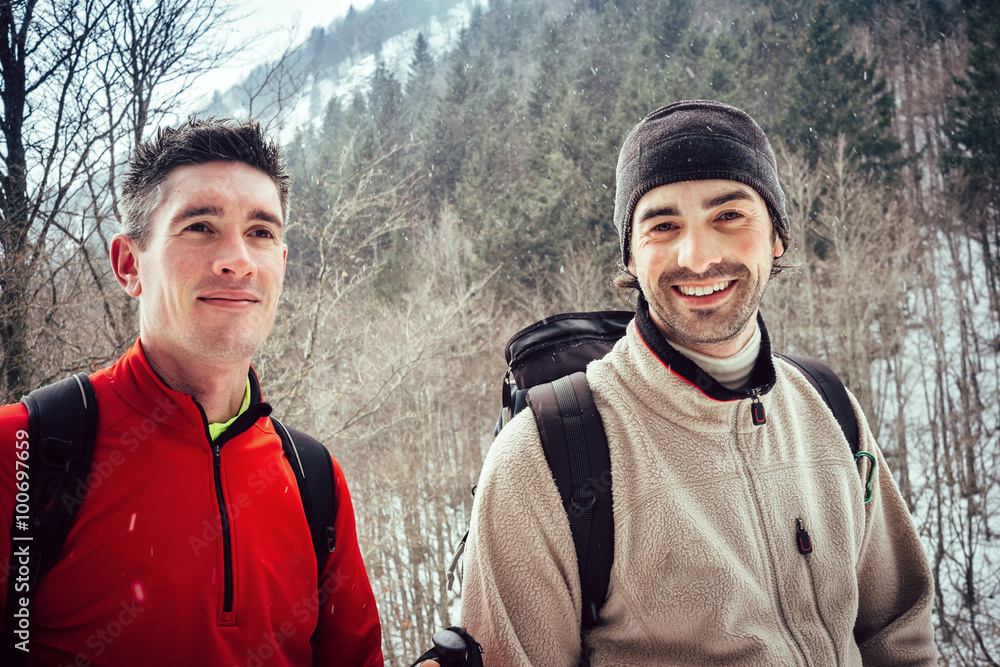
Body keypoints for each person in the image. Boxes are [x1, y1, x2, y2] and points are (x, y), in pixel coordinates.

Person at [460, 101, 937, 666]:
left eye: (729, 215)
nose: (699, 256)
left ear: (777, 237)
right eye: (663, 226)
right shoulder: (542, 458)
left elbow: (896, 630)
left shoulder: (829, 406)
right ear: (631, 256)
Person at [0, 119, 384, 666]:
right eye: (201, 226)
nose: (238, 259)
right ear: (130, 264)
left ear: (281, 261)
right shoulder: (23, 449)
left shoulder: (315, 479)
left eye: (261, 232)